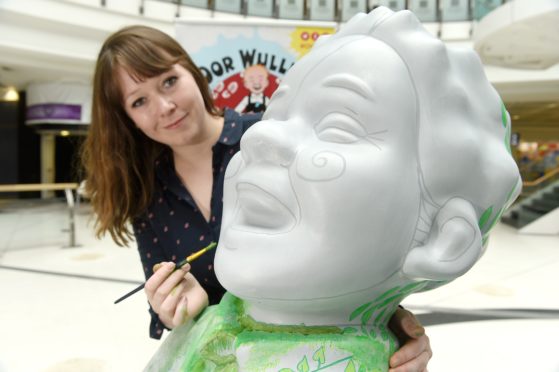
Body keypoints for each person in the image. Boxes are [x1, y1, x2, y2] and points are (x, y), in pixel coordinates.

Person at [81, 24, 432, 371]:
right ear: (127, 119)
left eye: (169, 81)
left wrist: (390, 321)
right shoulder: (145, 195)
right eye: (139, 101)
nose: (166, 106)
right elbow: (173, 320)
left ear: (191, 71)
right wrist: (179, 309)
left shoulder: (268, 135)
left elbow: (357, 250)